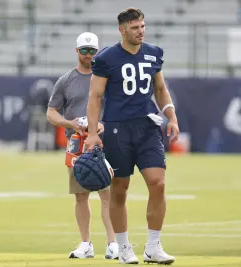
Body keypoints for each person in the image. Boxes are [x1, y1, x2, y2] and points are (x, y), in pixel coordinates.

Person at [85, 7, 179, 265]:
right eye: (135, 27)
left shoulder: (153, 53)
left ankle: (153, 246)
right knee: (119, 189)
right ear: (122, 29)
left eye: (143, 26)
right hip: (117, 129)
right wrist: (93, 133)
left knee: (157, 183)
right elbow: (95, 96)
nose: (141, 31)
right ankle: (124, 246)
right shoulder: (106, 58)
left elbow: (160, 88)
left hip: (147, 126)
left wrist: (171, 116)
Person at [47, 32, 119, 260]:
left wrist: (103, 126)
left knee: (107, 194)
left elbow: (116, 107)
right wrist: (69, 123)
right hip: (77, 142)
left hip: (102, 140)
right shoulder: (66, 80)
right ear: (77, 51)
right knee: (80, 195)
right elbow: (51, 112)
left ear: (97, 52)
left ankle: (113, 243)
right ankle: (86, 243)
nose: (88, 55)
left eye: (92, 51)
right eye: (84, 50)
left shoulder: (106, 77)